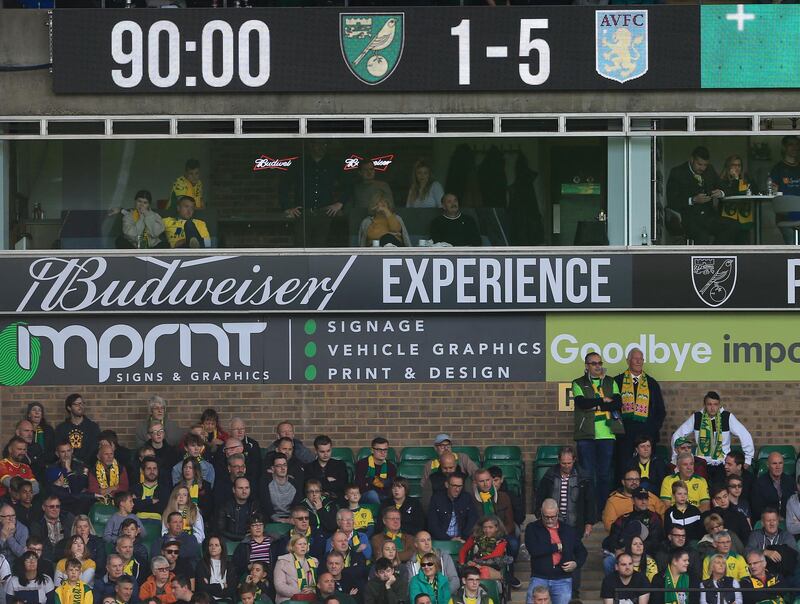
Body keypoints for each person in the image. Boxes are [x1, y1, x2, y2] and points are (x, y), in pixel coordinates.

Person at [572, 351, 624, 513]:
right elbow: (582, 403)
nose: (597, 366)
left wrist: (596, 405)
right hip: (586, 435)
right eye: (594, 363)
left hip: (607, 435)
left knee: (604, 475)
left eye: (599, 363)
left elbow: (617, 403)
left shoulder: (610, 381)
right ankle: (589, 511)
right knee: (587, 476)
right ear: (587, 366)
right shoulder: (578, 382)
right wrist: (602, 401)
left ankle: (603, 510)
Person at [670, 392, 754, 487]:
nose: (712, 408)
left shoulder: (726, 417)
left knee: (720, 490)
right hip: (701, 464)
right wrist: (675, 457)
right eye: (709, 404)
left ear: (719, 405)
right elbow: (677, 435)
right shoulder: (697, 417)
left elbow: (745, 435)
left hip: (722, 464)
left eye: (715, 404)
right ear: (705, 405)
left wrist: (747, 459)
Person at [279, 141, 345, 248]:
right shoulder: (299, 163)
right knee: (301, 249)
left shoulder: (333, 164)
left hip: (325, 213)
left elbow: (348, 185)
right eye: (318, 144)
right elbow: (284, 185)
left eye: (324, 144)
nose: (321, 147)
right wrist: (287, 207)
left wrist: (340, 203)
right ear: (310, 145)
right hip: (303, 213)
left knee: (322, 249)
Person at [666, 146, 734, 245]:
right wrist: (692, 200)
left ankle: (716, 255)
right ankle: (703, 259)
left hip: (709, 218)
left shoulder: (710, 170)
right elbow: (672, 201)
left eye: (705, 165)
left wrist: (721, 192)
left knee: (732, 226)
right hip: (688, 219)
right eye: (699, 164)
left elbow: (725, 187)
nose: (702, 168)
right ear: (691, 159)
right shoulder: (677, 172)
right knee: (702, 235)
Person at [614, 348, 667, 476]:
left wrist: (652, 428)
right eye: (635, 358)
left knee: (647, 469)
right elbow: (613, 408)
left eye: (641, 359)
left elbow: (660, 410)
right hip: (624, 435)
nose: (638, 361)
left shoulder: (651, 383)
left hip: (646, 434)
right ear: (628, 361)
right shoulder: (617, 381)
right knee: (623, 466)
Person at [525, 499, 586, 604]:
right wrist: (556, 547)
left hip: (562, 578)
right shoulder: (532, 528)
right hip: (539, 576)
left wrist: (576, 564)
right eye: (546, 517)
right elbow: (534, 550)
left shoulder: (568, 530)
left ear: (558, 513)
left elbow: (582, 551)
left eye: (553, 517)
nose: (549, 520)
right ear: (541, 512)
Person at [745, 508, 798, 580]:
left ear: (778, 522)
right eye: (768, 521)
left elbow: (795, 556)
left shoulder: (786, 536)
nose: (772, 523)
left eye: (774, 520)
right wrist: (765, 552)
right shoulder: (755, 535)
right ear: (762, 523)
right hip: (759, 576)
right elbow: (746, 552)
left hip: (783, 576)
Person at [427, 474, 478, 543]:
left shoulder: (466, 498)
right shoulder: (437, 499)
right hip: (440, 541)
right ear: (447, 485)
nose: (457, 489)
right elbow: (432, 525)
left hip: (463, 540)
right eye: (454, 486)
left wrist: (463, 538)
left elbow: (472, 520)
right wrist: (449, 539)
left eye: (460, 486)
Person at [717, 155, 756, 245]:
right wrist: (735, 179)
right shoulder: (722, 180)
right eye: (733, 165)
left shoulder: (746, 178)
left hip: (744, 217)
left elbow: (755, 191)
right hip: (727, 218)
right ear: (728, 166)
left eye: (739, 165)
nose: (737, 168)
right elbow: (733, 193)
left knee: (743, 244)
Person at [769, 135, 800, 244]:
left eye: (797, 144)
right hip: (785, 214)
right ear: (784, 148)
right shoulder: (778, 169)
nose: (795, 147)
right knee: (792, 245)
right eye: (791, 144)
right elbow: (772, 191)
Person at [46, 441, 91, 516]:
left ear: (72, 451)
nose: (66, 455)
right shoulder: (51, 469)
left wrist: (68, 470)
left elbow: (77, 490)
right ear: (57, 454)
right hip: (61, 505)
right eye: (63, 452)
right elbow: (53, 492)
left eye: (68, 451)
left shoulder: (82, 467)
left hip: (78, 505)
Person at [54, 395, 101, 465]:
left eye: (82, 403)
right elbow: (59, 449)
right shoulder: (61, 428)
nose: (80, 406)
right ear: (69, 407)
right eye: (77, 404)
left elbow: (95, 450)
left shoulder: (93, 427)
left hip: (88, 468)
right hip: (66, 467)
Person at [457, 515, 506, 581]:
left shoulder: (501, 541)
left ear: (496, 528)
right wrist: (462, 564)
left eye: (490, 527)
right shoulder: (474, 538)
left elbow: (494, 556)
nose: (487, 530)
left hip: (492, 567)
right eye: (485, 527)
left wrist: (476, 563)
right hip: (473, 567)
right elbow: (463, 551)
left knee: (483, 571)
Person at [273, 535, 318, 603]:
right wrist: (299, 592)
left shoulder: (314, 562)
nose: (303, 546)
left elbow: (318, 584)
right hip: (288, 600)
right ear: (292, 547)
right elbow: (279, 586)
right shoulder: (282, 561)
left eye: (305, 544)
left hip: (310, 599)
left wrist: (312, 590)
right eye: (300, 544)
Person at [30, 496, 75, 562]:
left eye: (57, 506)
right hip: (46, 558)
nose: (55, 509)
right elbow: (37, 545)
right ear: (44, 507)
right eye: (51, 507)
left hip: (67, 557)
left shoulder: (68, 518)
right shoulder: (37, 524)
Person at [260, 454, 302, 524]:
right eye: (279, 466)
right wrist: (277, 519)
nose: (283, 468)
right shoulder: (266, 482)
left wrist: (290, 519)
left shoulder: (294, 483)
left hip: (291, 519)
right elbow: (266, 504)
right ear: (273, 469)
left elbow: (296, 505)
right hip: (270, 519)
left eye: (285, 465)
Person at [751, 453, 794, 520]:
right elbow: (757, 509)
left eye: (780, 463)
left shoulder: (790, 481)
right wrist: (774, 518)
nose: (778, 467)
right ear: (768, 465)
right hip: (768, 521)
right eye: (774, 463)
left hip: (788, 520)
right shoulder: (758, 483)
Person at [303, 436, 346, 503]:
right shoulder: (309, 467)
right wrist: (327, 480)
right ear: (316, 451)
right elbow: (309, 487)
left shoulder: (340, 465)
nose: (326, 454)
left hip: (336, 501)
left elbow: (342, 485)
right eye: (322, 452)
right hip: (315, 501)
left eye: (328, 451)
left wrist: (319, 482)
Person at [194, 535, 235, 602]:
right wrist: (222, 585)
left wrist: (209, 587)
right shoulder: (201, 564)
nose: (213, 547)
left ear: (222, 548)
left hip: (226, 600)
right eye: (211, 545)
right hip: (207, 600)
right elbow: (201, 588)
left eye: (216, 545)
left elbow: (231, 589)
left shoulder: (229, 565)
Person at [354, 439, 396, 504]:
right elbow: (360, 486)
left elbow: (391, 486)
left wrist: (371, 481)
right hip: (365, 495)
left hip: (384, 495)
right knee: (373, 494)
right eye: (379, 450)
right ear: (372, 450)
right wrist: (383, 483)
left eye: (385, 450)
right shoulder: (362, 464)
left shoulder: (391, 467)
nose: (383, 453)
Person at [216, 478, 256, 543]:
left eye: (247, 488)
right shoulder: (225, 506)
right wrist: (242, 537)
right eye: (240, 488)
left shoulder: (254, 505)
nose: (244, 491)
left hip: (250, 541)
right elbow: (221, 530)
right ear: (234, 490)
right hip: (228, 541)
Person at [226, 419, 262, 486]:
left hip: (249, 482)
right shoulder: (225, 446)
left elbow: (256, 468)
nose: (240, 432)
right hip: (228, 482)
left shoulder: (253, 445)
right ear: (230, 431)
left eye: (242, 429)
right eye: (236, 429)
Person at [25, 404, 56, 468]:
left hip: (45, 465)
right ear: (29, 414)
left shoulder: (48, 430)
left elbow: (53, 449)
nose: (37, 412)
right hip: (28, 465)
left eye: (39, 410)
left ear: (42, 415)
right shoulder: (24, 429)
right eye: (34, 410)